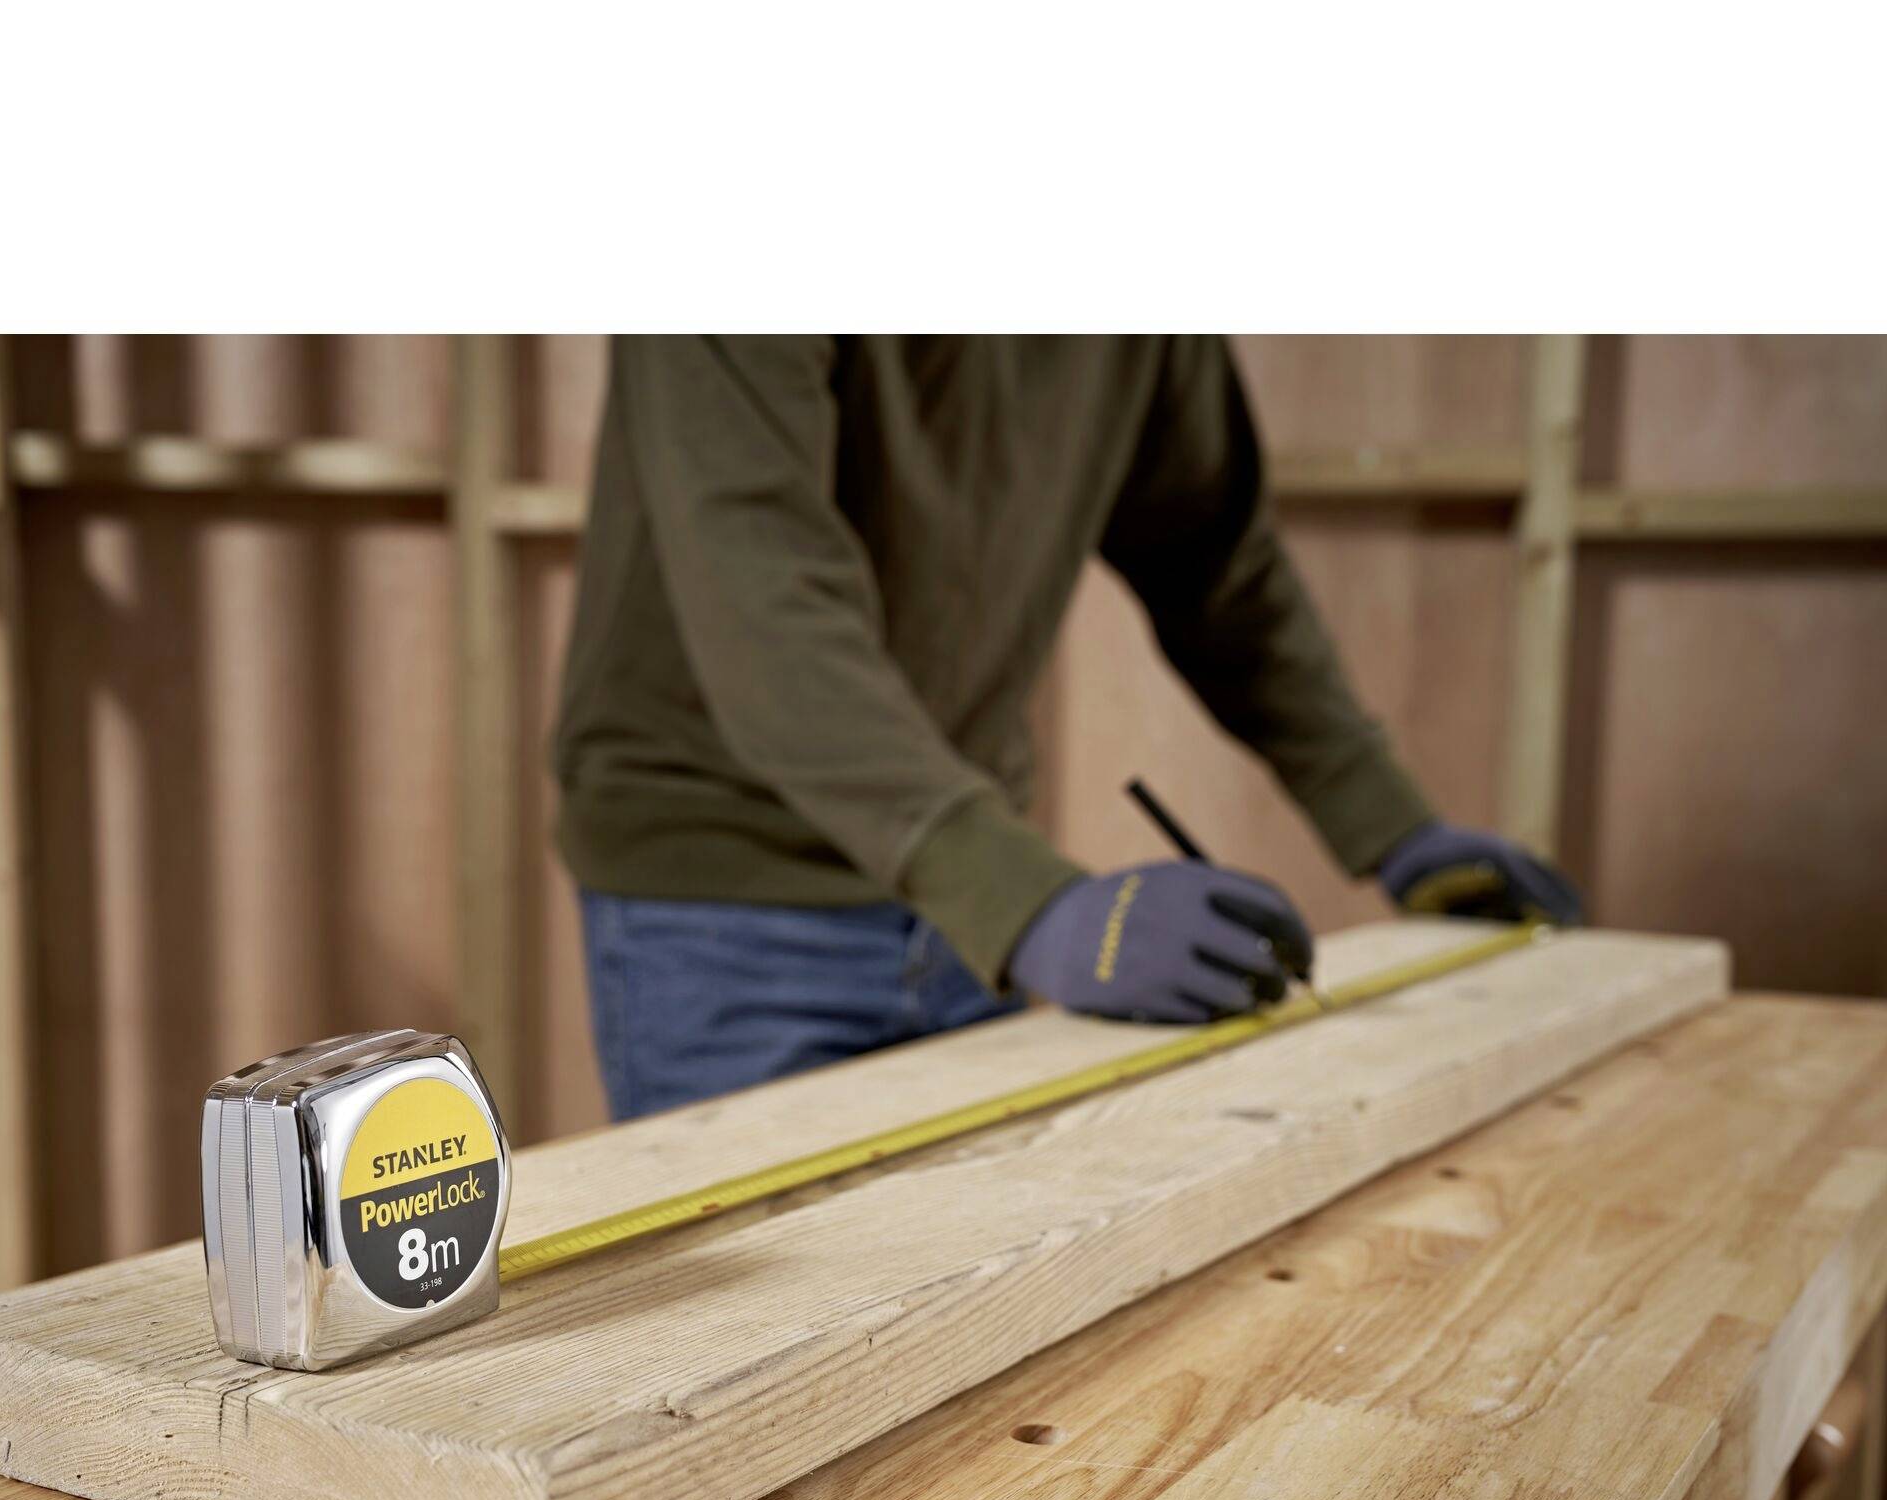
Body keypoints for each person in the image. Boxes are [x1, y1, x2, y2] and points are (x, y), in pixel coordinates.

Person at [554, 336, 1582, 1122]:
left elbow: (1216, 570)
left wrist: (1388, 822)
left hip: (965, 909)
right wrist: (1028, 907)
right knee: (767, 1371)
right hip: (727, 900)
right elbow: (761, 601)